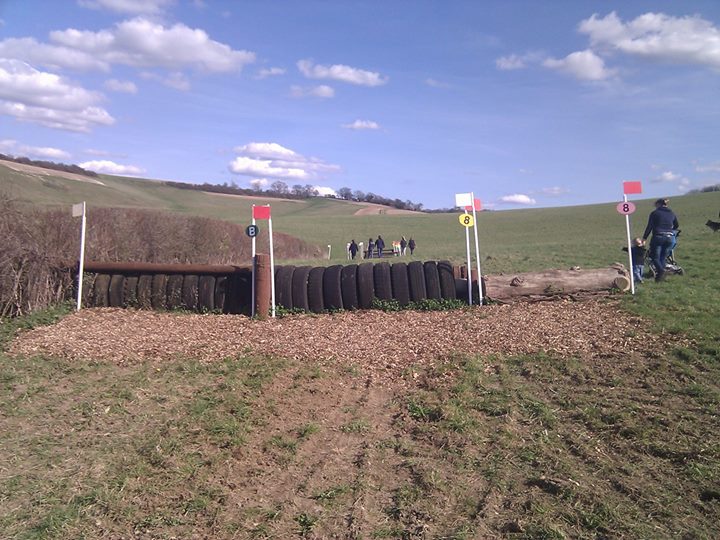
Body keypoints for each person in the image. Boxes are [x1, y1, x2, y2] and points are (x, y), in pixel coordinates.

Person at [642, 198, 679, 282]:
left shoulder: (655, 213)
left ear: (658, 204)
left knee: (654, 257)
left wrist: (644, 238)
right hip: (670, 237)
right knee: (663, 257)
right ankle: (660, 278)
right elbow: (676, 225)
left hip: (658, 236)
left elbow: (649, 227)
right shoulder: (672, 213)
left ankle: (661, 271)